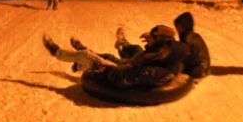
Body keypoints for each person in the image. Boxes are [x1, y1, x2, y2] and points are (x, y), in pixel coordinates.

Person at [42, 25, 190, 89]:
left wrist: (105, 71)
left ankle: (57, 52)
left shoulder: (156, 70)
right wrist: (152, 39)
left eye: (155, 38)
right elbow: (156, 49)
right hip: (132, 63)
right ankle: (121, 43)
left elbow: (126, 78)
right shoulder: (165, 53)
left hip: (122, 69)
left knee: (88, 56)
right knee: (136, 48)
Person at [174, 12, 210, 79]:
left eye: (179, 26)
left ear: (186, 26)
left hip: (199, 68)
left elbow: (185, 56)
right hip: (201, 65)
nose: (177, 29)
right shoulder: (190, 36)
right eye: (177, 26)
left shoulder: (188, 39)